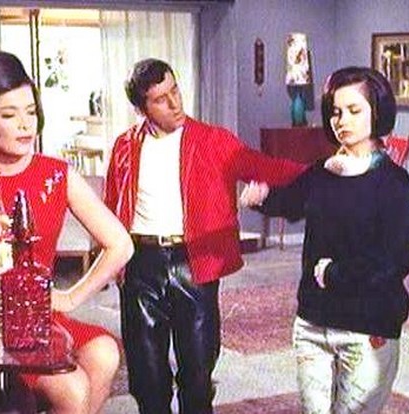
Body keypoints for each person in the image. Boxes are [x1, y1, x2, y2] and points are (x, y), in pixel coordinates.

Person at [104, 58, 305, 413]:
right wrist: (111, 264)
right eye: (160, 99)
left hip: (193, 262)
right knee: (147, 376)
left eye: (175, 90)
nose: (175, 103)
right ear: (141, 109)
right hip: (140, 264)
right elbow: (109, 206)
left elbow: (266, 167)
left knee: (197, 373)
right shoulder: (125, 146)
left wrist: (326, 172)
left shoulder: (213, 140)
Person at [0, 51, 134, 413]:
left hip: (41, 317)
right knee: (72, 388)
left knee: (105, 353)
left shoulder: (57, 174)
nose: (25, 125)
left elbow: (120, 245)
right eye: (9, 115)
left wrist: (71, 298)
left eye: (30, 112)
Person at [240, 66, 409, 413]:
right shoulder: (322, 171)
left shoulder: (393, 183)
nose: (342, 121)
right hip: (313, 324)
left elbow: (398, 257)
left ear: (377, 113)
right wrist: (262, 197)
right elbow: (292, 201)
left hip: (366, 327)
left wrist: (335, 273)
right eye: (336, 112)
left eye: (354, 110)